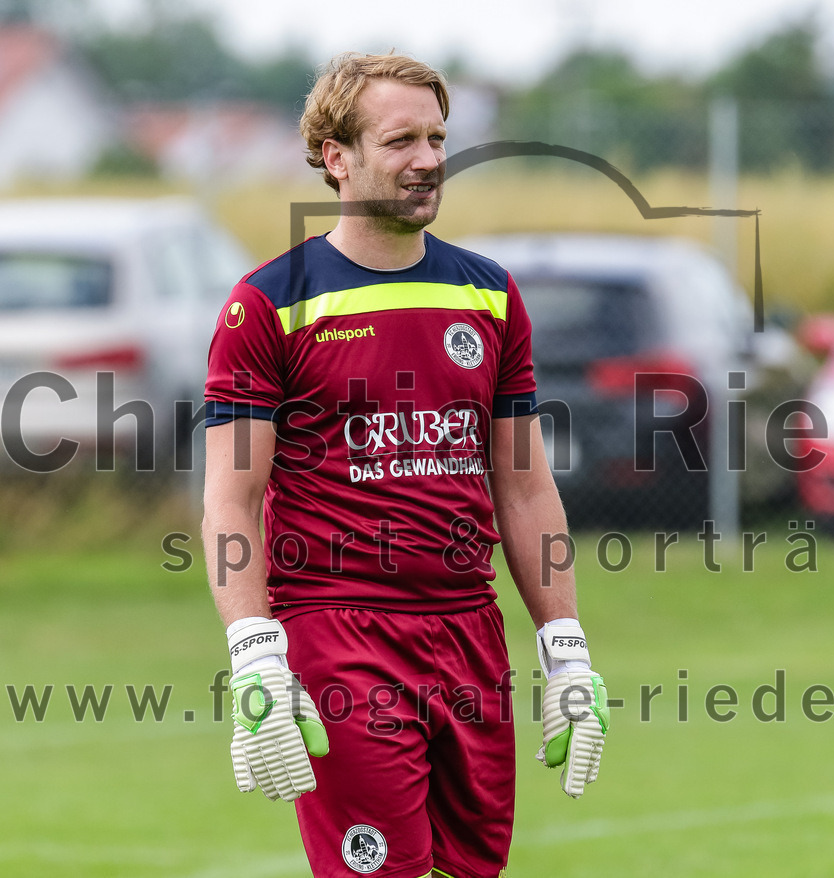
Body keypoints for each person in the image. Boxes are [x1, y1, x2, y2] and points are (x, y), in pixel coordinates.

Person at [202, 51, 608, 878]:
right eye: (401, 141)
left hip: (471, 632)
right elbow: (231, 502)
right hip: (339, 634)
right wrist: (254, 651)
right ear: (337, 157)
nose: (429, 159)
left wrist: (566, 646)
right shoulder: (270, 302)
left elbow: (526, 487)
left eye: (437, 137)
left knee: (473, 871)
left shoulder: (488, 294)